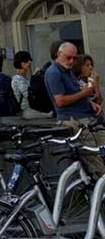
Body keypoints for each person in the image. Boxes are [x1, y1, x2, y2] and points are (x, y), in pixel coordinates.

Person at [45, 41, 105, 177]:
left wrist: (89, 102)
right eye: (68, 57)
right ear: (59, 55)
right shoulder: (54, 73)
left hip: (87, 117)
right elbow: (60, 101)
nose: (71, 61)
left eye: (74, 58)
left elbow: (82, 92)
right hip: (74, 119)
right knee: (95, 161)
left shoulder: (68, 71)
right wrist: (85, 93)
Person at [11, 50, 41, 120]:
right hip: (25, 111)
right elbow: (28, 94)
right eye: (26, 61)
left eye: (29, 60)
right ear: (20, 63)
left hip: (31, 108)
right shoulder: (17, 79)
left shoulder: (25, 78)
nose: (29, 62)